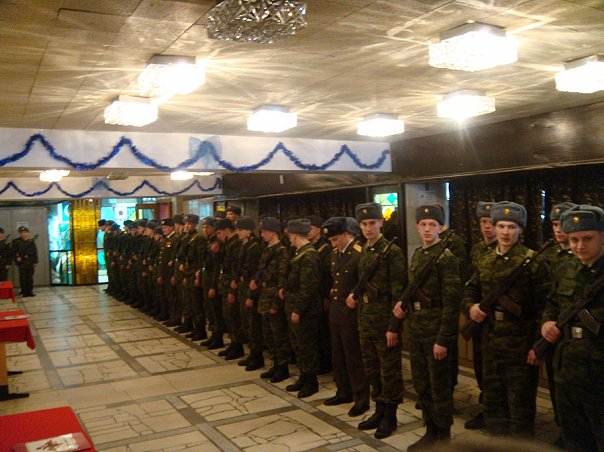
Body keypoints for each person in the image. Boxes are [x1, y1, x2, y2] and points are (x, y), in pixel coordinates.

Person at [463, 201, 551, 437]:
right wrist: (471, 308)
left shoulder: (533, 261)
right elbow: (470, 290)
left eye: (511, 227)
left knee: (520, 409)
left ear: (520, 229)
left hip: (520, 347)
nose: (505, 232)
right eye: (501, 226)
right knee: (493, 406)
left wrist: (538, 345)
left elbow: (546, 307)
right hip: (490, 343)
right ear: (494, 227)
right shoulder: (485, 259)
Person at [393, 205, 462, 450]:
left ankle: (443, 437)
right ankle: (430, 431)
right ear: (417, 227)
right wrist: (402, 304)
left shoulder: (447, 258)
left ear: (441, 227)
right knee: (422, 384)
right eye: (423, 224)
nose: (427, 229)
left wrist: (443, 339)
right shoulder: (418, 254)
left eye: (432, 224)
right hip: (417, 329)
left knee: (439, 387)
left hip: (435, 333)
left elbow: (452, 303)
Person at [540, 204, 604, 452]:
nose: (579, 246)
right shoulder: (566, 268)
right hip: (566, 370)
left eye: (587, 239)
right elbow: (552, 303)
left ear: (602, 236)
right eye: (573, 239)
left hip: (598, 374)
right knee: (574, 439)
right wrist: (547, 322)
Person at [346, 202, 407, 439]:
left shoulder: (392, 252)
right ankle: (379, 409)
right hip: (366, 321)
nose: (368, 228)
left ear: (381, 222)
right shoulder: (365, 250)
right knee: (372, 369)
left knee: (389, 370)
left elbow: (399, 295)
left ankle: (390, 414)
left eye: (372, 223)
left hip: (385, 323)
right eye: (364, 224)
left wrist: (394, 327)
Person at [322, 216, 370, 416]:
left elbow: (364, 284)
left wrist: (355, 298)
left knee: (353, 358)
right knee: (338, 356)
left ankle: (361, 398)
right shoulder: (336, 254)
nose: (333, 244)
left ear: (346, 234)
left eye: (335, 239)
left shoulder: (358, 254)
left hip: (351, 314)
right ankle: (343, 391)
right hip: (336, 312)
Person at [541, 201, 578, 445]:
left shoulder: (580, 256)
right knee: (556, 382)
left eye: (561, 224)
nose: (557, 229)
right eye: (554, 224)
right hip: (552, 328)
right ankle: (562, 427)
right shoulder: (547, 254)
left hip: (576, 335)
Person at [465, 201, 497, 430]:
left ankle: (496, 412)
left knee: (495, 371)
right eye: (483, 221)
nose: (487, 226)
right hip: (478, 319)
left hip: (498, 322)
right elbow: (470, 284)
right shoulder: (476, 250)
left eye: (491, 222)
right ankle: (486, 408)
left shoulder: (506, 251)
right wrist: (470, 307)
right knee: (480, 366)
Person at [284, 219, 322, 398]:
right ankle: (303, 376)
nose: (289, 238)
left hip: (306, 311)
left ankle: (311, 382)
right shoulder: (299, 252)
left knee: (307, 347)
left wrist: (298, 310)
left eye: (290, 235)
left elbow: (308, 287)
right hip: (294, 305)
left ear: (294, 235)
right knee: (298, 346)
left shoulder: (309, 255)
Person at [251, 217, 290, 382]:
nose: (262, 235)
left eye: (265, 231)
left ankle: (283, 367)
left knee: (278, 334)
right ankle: (275, 364)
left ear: (274, 232)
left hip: (274, 296)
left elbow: (282, 279)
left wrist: (276, 303)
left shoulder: (281, 251)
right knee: (268, 334)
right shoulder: (267, 249)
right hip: (264, 295)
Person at [235, 216, 263, 370]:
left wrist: (251, 295)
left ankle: (257, 356)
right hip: (243, 287)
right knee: (246, 323)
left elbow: (253, 273)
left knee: (253, 324)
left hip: (250, 288)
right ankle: (252, 353)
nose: (238, 232)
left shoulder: (254, 247)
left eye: (240, 230)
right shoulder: (244, 245)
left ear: (249, 231)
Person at [307, 214, 333, 374]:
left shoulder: (325, 248)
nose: (308, 231)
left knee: (323, 331)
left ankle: (326, 361)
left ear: (319, 230)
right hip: (313, 295)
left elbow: (328, 274)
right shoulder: (310, 247)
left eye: (311, 228)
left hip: (322, 294)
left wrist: (325, 296)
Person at [215, 218, 244, 360]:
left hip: (231, 287)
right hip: (225, 285)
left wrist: (233, 290)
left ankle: (237, 346)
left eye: (219, 233)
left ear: (227, 230)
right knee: (228, 316)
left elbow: (235, 270)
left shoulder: (235, 245)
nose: (218, 236)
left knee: (234, 317)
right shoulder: (226, 244)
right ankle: (233, 343)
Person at [12, 226, 38, 297]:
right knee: (23, 277)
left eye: (25, 232)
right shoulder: (17, 242)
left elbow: (35, 252)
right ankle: (24, 292)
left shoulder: (31, 242)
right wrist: (17, 258)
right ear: (20, 233)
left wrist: (35, 261)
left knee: (30, 277)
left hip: (30, 262)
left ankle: (30, 291)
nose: (24, 234)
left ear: (28, 233)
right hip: (22, 262)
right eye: (22, 232)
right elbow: (13, 252)